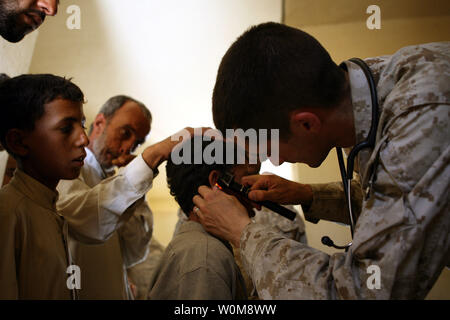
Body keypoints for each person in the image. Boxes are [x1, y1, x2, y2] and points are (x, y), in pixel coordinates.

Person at [193, 22, 450, 299]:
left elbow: (365, 290)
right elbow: (394, 197)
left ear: (305, 124)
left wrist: (242, 232)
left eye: (269, 151)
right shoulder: (367, 93)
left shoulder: (424, 113)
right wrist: (307, 194)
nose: (276, 163)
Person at [0, 74, 90, 299]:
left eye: (82, 125)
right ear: (18, 142)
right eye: (66, 128)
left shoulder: (50, 211)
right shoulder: (8, 213)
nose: (84, 139)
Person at [56, 95, 154, 299]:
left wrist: (136, 187)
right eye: (125, 133)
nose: (127, 148)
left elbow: (136, 253)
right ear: (100, 122)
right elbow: (84, 219)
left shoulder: (122, 185)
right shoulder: (65, 168)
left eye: (136, 143)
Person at [148, 137, 258, 300]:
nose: (256, 192)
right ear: (216, 182)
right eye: (248, 179)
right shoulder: (205, 256)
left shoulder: (199, 248)